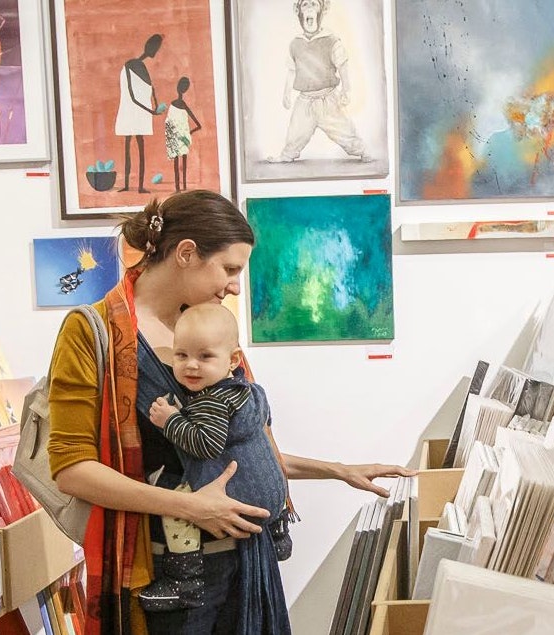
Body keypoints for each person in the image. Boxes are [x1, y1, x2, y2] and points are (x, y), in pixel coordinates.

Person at [46, 189, 416, 634]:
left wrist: (336, 470)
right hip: (171, 585)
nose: (236, 285)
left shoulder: (211, 333)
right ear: (186, 253)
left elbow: (234, 448)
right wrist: (192, 507)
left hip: (246, 565)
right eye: (230, 268)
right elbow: (71, 470)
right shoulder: (94, 333)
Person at [137, 303, 289, 625]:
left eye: (204, 357)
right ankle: (279, 533)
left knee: (172, 494)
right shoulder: (249, 391)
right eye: (181, 356)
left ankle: (184, 577)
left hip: (240, 497)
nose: (191, 366)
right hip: (270, 494)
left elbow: (205, 444)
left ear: (233, 360)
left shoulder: (211, 400)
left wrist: (170, 421)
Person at [269, 0, 368, 164]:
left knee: (343, 129)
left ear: (322, 10)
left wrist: (346, 90)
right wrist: (286, 93)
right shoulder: (295, 44)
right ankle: (287, 155)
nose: (309, 9)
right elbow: (292, 70)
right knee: (296, 131)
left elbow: (342, 66)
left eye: (314, 4)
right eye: (305, 5)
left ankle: (363, 150)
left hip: (327, 99)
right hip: (305, 100)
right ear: (298, 11)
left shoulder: (331, 41)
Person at [115, 34, 164, 194]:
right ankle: (128, 185)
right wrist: (152, 110)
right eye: (154, 48)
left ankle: (140, 185)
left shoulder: (142, 68)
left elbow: (152, 89)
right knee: (128, 149)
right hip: (130, 114)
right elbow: (132, 95)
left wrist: (155, 107)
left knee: (139, 149)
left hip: (141, 115)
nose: (155, 52)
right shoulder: (130, 65)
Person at [165, 77, 202, 192]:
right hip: (182, 138)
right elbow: (198, 124)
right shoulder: (182, 105)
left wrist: (183, 134)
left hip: (177, 138)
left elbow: (168, 124)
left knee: (177, 163)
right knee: (181, 162)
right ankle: (183, 186)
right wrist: (188, 133)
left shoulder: (172, 105)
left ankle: (179, 188)